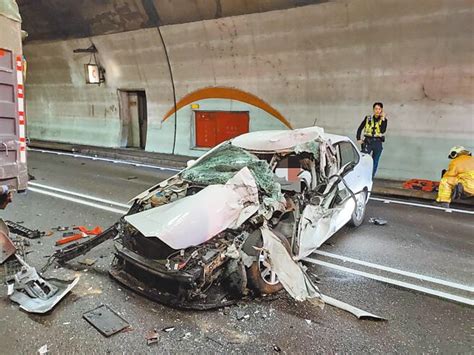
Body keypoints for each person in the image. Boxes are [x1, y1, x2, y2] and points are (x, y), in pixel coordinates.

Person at [356, 102, 388, 177]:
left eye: (379, 109)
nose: (377, 110)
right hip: (368, 142)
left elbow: (383, 130)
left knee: (375, 161)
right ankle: (361, 176)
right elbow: (360, 128)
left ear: (381, 110)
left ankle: (370, 178)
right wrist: (358, 138)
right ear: (373, 110)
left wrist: (383, 119)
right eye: (376, 109)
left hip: (378, 143)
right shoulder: (368, 118)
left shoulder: (384, 120)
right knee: (363, 159)